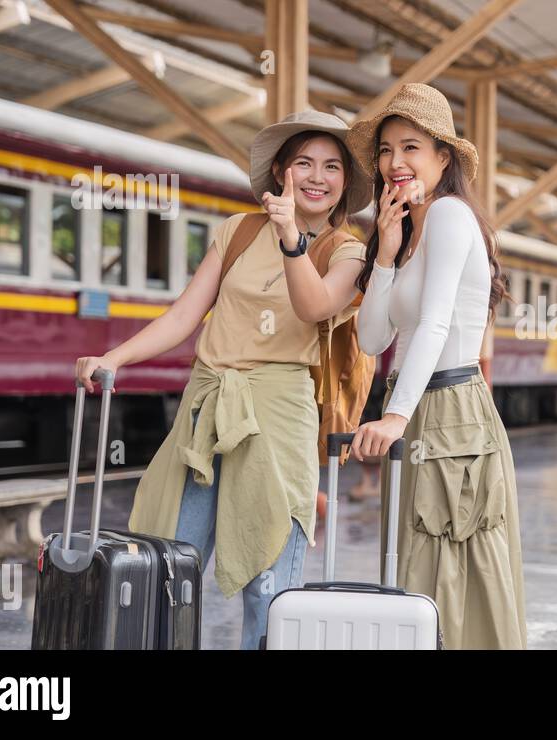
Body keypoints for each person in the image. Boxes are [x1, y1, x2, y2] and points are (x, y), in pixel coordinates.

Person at [74, 111, 372, 650]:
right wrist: (112, 357)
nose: (317, 176)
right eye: (304, 161)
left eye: (332, 167)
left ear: (345, 184)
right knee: (172, 565)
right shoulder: (237, 231)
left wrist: (290, 239)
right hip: (207, 410)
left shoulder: (345, 251)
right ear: (280, 170)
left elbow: (314, 308)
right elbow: (185, 316)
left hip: (279, 415)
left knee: (268, 583)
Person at [347, 83, 527, 649]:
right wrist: (382, 253)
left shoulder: (449, 214)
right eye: (385, 151)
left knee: (451, 569)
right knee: (416, 565)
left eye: (411, 148)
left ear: (443, 157)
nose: (395, 162)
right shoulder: (407, 232)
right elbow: (374, 338)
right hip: (418, 406)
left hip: (450, 410)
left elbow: (440, 324)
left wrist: (394, 418)